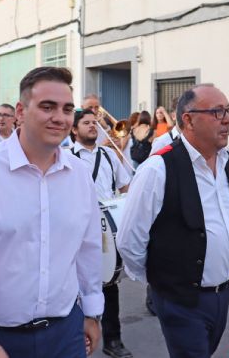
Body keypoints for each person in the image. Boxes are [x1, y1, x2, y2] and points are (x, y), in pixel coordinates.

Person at [0, 67, 103, 358]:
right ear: (21, 110)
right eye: (47, 106)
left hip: (66, 331)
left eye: (67, 109)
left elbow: (88, 247)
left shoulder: (79, 174)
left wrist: (92, 313)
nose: (60, 117)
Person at [117, 84, 229, 358]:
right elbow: (129, 240)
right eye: (217, 112)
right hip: (182, 300)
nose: (227, 119)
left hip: (221, 295)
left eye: (228, 110)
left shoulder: (225, 162)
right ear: (187, 119)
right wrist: (162, 282)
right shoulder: (157, 168)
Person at [69, 109, 132, 358]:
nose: (93, 126)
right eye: (86, 123)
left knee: (109, 282)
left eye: (94, 122)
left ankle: (113, 340)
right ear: (74, 129)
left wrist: (124, 206)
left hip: (105, 229)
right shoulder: (66, 157)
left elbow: (125, 185)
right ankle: (77, 339)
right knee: (75, 287)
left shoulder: (108, 155)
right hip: (76, 229)